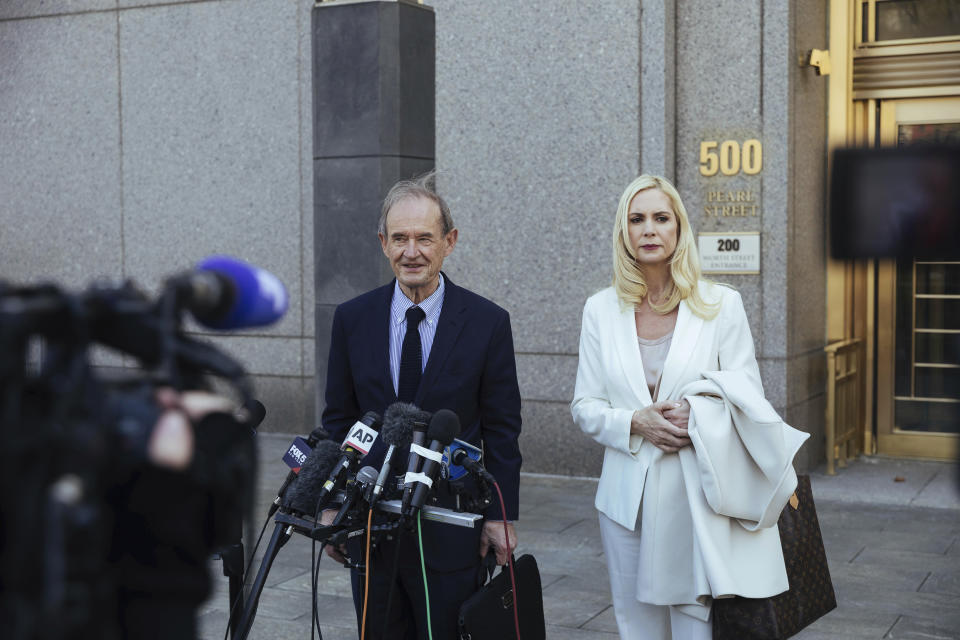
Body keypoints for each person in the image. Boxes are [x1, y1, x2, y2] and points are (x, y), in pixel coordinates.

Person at [570, 175, 807, 639]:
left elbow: (748, 397)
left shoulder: (720, 305)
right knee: (635, 625)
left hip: (697, 495)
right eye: (636, 220)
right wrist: (634, 421)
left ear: (679, 229)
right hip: (625, 499)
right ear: (624, 232)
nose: (649, 230)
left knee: (694, 624)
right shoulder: (600, 310)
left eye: (661, 218)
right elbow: (585, 404)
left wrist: (696, 414)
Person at [320, 171, 522, 640]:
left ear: (449, 241)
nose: (412, 251)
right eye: (400, 238)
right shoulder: (352, 319)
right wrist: (331, 505)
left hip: (450, 527)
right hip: (370, 523)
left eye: (425, 238)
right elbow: (339, 421)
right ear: (383, 243)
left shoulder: (487, 323)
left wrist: (501, 515)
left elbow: (503, 428)